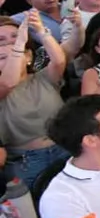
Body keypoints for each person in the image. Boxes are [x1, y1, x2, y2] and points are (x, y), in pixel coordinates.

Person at [0, 15, 68, 186]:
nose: (11, 53)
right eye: (2, 56)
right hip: (26, 161)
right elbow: (9, 82)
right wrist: (17, 46)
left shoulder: (43, 77)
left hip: (64, 149)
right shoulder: (3, 88)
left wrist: (40, 31)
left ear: (29, 56)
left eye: (17, 48)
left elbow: (59, 60)